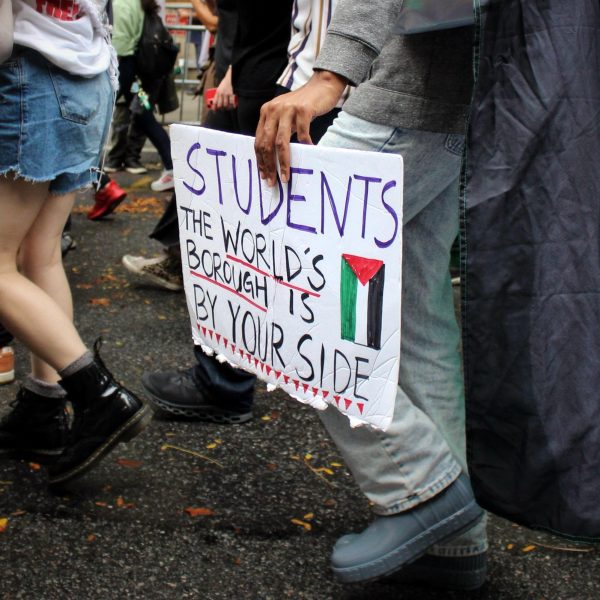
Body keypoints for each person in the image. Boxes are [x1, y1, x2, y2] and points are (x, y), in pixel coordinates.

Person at [252, 0, 488, 589]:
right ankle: (456, 546)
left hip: (401, 94)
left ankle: (422, 488)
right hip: (459, 89)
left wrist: (330, 76)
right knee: (416, 313)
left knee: (291, 291)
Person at [139, 0, 351, 424]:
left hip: (300, 88)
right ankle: (235, 375)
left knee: (252, 244)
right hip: (287, 81)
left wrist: (323, 80)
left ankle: (229, 382)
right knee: (252, 242)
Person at [0, 0, 152, 485]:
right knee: (40, 254)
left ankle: (99, 395)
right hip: (87, 76)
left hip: (34, 76)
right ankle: (44, 411)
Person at [111, 0, 176, 192]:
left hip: (127, 71)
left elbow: (120, 45)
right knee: (144, 116)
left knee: (142, 116)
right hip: (139, 77)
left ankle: (173, 166)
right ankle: (173, 165)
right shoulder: (138, 3)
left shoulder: (121, 3)